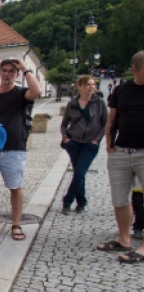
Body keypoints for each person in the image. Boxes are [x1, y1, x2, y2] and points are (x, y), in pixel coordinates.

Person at [0, 57, 42, 241]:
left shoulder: (20, 94)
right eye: (5, 70)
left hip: (13, 147)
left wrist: (26, 67)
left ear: (17, 74)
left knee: (15, 187)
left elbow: (37, 91)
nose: (7, 74)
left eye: (12, 71)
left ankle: (16, 223)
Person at [97, 50, 144, 263]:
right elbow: (112, 119)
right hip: (122, 150)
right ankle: (124, 238)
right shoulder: (122, 90)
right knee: (119, 197)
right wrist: (109, 144)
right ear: (135, 69)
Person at [60, 75, 108, 213]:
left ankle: (67, 201)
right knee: (78, 173)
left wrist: (97, 140)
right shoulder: (72, 104)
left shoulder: (99, 103)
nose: (91, 87)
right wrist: (65, 139)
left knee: (80, 172)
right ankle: (81, 202)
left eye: (93, 84)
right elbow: (64, 125)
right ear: (79, 86)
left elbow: (106, 124)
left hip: (90, 144)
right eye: (88, 84)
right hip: (74, 142)